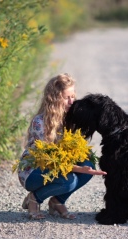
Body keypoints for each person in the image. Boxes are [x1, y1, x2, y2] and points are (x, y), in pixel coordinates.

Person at [18, 73, 107, 220]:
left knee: (89, 165)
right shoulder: (40, 122)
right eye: (67, 98)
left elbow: (76, 150)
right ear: (54, 99)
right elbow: (51, 160)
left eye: (73, 97)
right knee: (69, 180)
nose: (72, 102)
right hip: (33, 171)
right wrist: (78, 169)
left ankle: (57, 201)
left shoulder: (70, 119)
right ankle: (33, 199)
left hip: (57, 166)